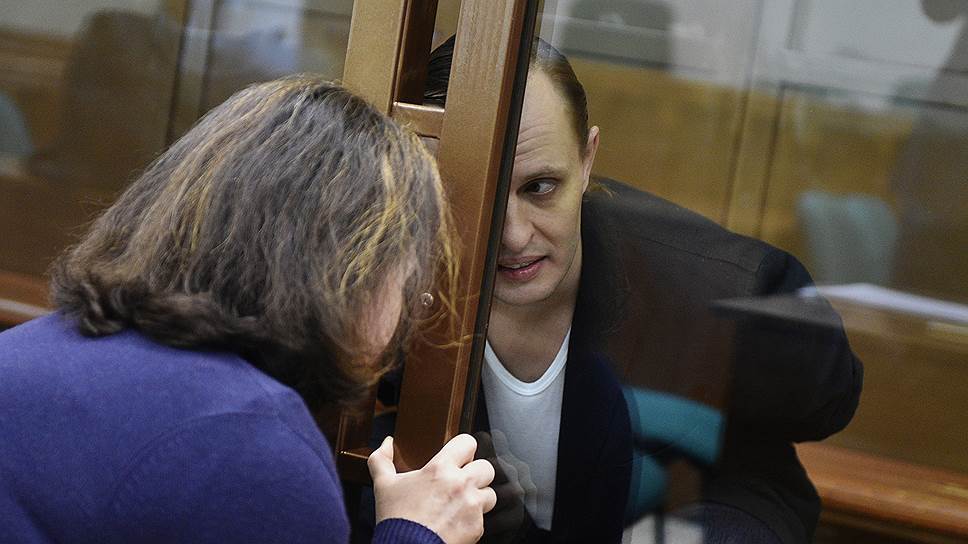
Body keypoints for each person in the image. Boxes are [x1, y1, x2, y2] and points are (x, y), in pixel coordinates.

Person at [0, 76, 496, 544]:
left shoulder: (32, 346)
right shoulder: (250, 447)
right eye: (409, 272)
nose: (411, 306)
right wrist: (417, 532)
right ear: (350, 272)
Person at [417, 37, 863, 543]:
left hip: (691, 516)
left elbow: (829, 404)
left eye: (540, 187)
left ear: (587, 159)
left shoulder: (710, 282)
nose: (515, 235)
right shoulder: (403, 272)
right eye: (476, 193)